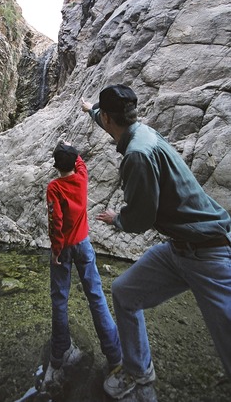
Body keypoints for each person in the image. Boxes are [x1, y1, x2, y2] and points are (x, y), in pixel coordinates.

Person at [81, 84, 231, 400]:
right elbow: (107, 120)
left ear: (110, 119)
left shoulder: (136, 155)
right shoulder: (139, 131)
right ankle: (139, 375)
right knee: (124, 292)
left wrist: (117, 219)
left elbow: (141, 218)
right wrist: (89, 109)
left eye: (102, 115)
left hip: (208, 252)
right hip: (180, 248)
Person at [46, 140, 122, 374]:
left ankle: (60, 353)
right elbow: (81, 164)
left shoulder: (54, 187)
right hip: (84, 245)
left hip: (64, 248)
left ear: (56, 165)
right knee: (96, 297)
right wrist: (72, 148)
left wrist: (57, 249)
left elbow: (55, 221)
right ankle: (114, 355)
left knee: (60, 299)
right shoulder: (81, 178)